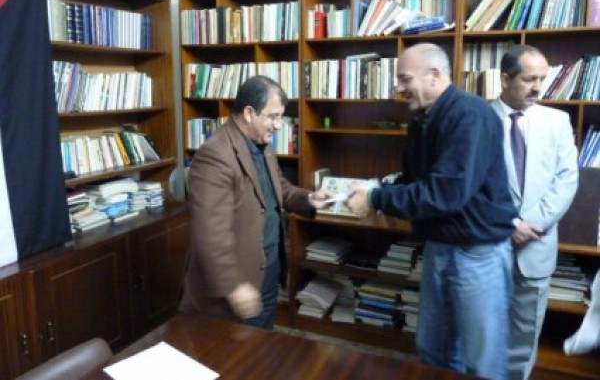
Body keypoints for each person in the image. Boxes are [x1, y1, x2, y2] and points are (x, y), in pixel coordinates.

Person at [347, 43, 516, 380]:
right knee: (433, 351)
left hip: (477, 255)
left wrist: (377, 199)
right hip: (440, 247)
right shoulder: (423, 120)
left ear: (435, 75)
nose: (398, 87)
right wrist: (366, 191)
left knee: (483, 362)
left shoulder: (469, 115)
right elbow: (415, 181)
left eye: (405, 78)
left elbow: (446, 194)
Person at [179, 75, 331, 329]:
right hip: (239, 282)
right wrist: (233, 286)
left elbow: (278, 187)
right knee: (237, 350)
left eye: (281, 117)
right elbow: (210, 232)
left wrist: (308, 199)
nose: (278, 126)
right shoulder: (215, 155)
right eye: (273, 117)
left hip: (267, 270)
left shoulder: (262, 145)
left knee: (262, 342)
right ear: (249, 113)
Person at [491, 45, 578, 379]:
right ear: (505, 79)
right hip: (487, 245)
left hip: (536, 246)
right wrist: (509, 223)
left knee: (525, 335)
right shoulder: (478, 118)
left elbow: (566, 180)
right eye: (529, 79)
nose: (538, 87)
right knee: (481, 329)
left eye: (542, 78)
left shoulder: (557, 121)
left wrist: (532, 224)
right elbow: (471, 182)